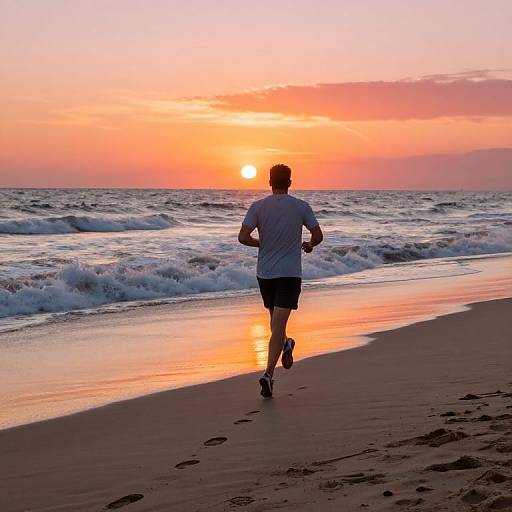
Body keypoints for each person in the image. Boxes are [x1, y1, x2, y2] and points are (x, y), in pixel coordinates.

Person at [238, 164, 323, 398]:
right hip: (289, 273)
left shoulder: (258, 207)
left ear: (269, 182)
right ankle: (285, 346)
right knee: (277, 326)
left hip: (265, 273)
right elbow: (318, 235)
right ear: (290, 182)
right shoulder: (301, 206)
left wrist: (261, 244)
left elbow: (243, 237)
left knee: (276, 325)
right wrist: (309, 245)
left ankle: (268, 374)